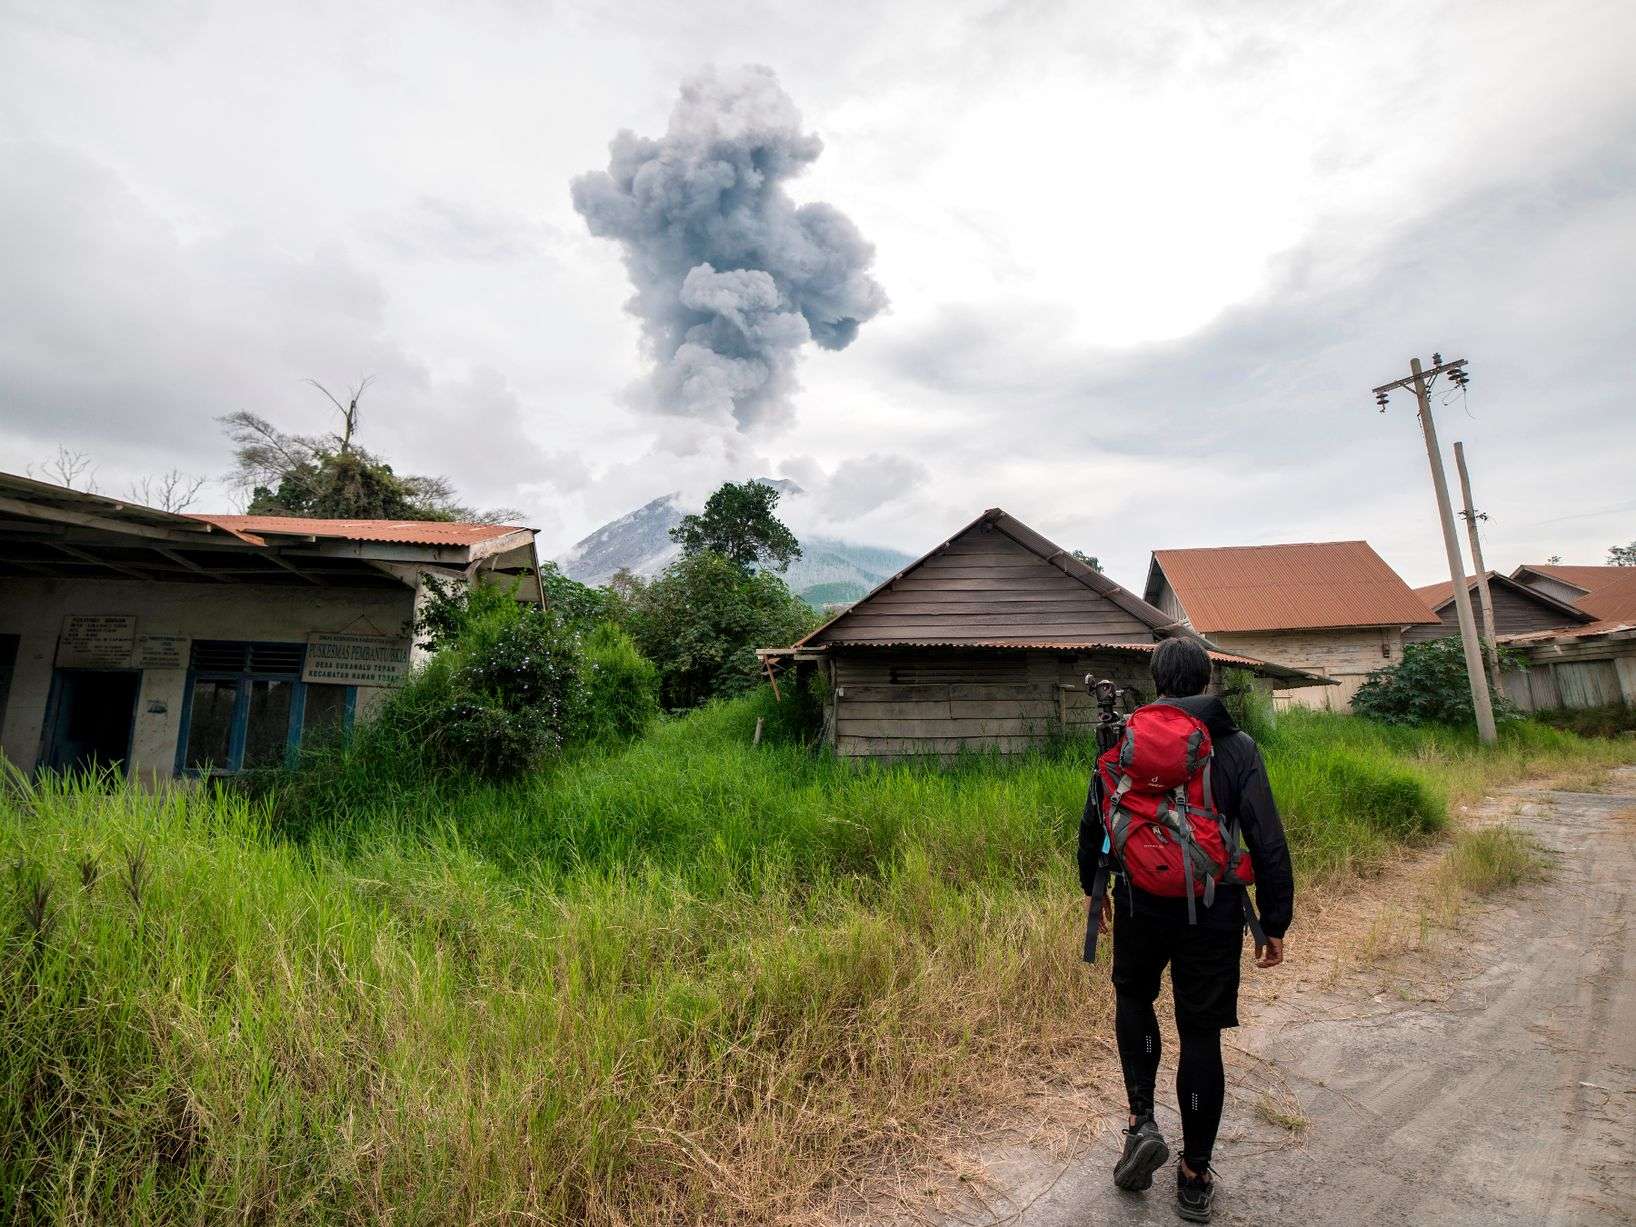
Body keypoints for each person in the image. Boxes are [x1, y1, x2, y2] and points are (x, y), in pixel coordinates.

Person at [1077, 637, 1294, 1223]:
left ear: (1156, 681)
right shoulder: (1236, 746)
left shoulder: (1124, 742)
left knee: (1133, 999)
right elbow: (1267, 840)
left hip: (1140, 903)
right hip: (1215, 909)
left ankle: (1141, 1121)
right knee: (1200, 1035)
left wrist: (1093, 892)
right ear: (1207, 681)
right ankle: (1195, 1177)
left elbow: (1095, 818)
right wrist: (1274, 921)